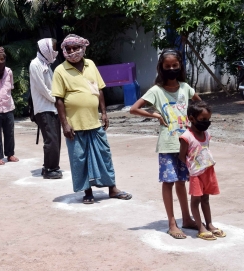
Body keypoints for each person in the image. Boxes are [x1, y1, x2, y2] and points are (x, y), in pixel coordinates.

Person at [130, 48, 202, 239]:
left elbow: (200, 107)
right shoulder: (156, 91)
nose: (171, 68)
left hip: (185, 144)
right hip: (167, 145)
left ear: (180, 66)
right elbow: (134, 109)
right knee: (168, 182)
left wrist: (197, 123)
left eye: (175, 65)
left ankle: (186, 218)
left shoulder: (186, 88)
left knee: (182, 181)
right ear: (161, 68)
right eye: (167, 66)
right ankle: (172, 222)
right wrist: (153, 114)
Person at [52, 34, 132, 204]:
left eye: (75, 48)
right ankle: (87, 192)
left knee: (104, 155)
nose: (72, 51)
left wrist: (104, 112)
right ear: (64, 51)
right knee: (80, 159)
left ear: (82, 48)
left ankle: (112, 188)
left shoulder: (91, 65)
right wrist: (64, 124)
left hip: (94, 122)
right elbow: (58, 99)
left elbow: (99, 89)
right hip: (75, 125)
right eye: (68, 49)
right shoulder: (60, 70)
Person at [179, 101, 225, 240]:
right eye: (203, 119)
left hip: (208, 172)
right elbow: (182, 156)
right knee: (195, 201)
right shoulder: (186, 137)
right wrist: (191, 169)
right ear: (192, 118)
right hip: (196, 174)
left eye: (208, 119)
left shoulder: (206, 134)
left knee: (206, 199)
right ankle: (201, 227)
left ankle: (209, 224)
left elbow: (205, 150)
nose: (206, 122)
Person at [29, 38, 62, 179]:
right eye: (53, 48)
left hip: (52, 108)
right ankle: (50, 169)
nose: (55, 52)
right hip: (44, 108)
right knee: (51, 139)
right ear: (45, 49)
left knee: (56, 139)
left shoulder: (47, 65)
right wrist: (57, 100)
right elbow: (42, 89)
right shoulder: (35, 64)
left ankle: (52, 165)